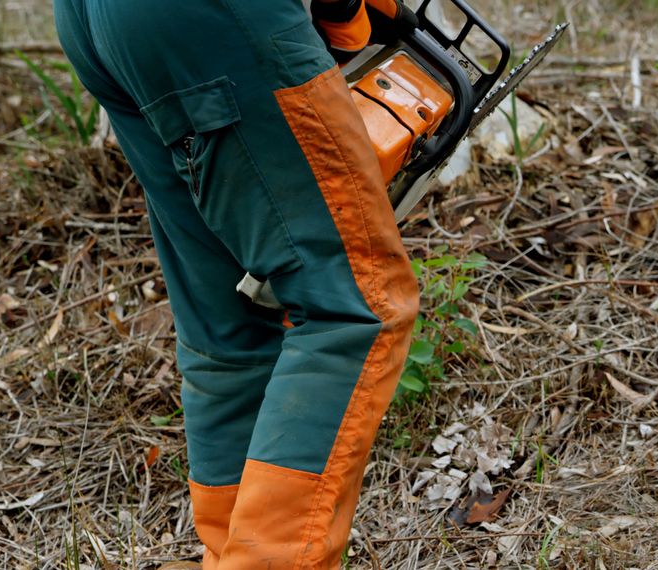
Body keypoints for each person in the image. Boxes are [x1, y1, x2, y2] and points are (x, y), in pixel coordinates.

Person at [53, 0, 420, 567]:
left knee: (227, 328)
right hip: (209, 18)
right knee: (353, 307)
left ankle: (228, 554)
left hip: (98, 23)